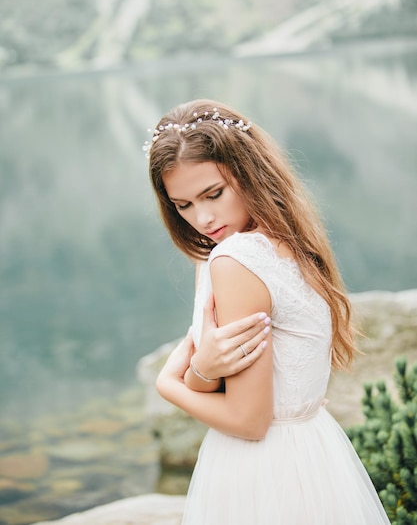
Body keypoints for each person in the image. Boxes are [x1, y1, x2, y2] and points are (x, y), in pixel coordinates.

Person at [144, 99, 390, 524]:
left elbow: (249, 420)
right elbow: (230, 384)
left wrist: (170, 384)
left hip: (264, 470)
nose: (202, 217)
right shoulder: (288, 241)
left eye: (213, 194)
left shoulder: (236, 260)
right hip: (311, 453)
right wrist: (202, 371)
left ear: (247, 171)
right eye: (182, 205)